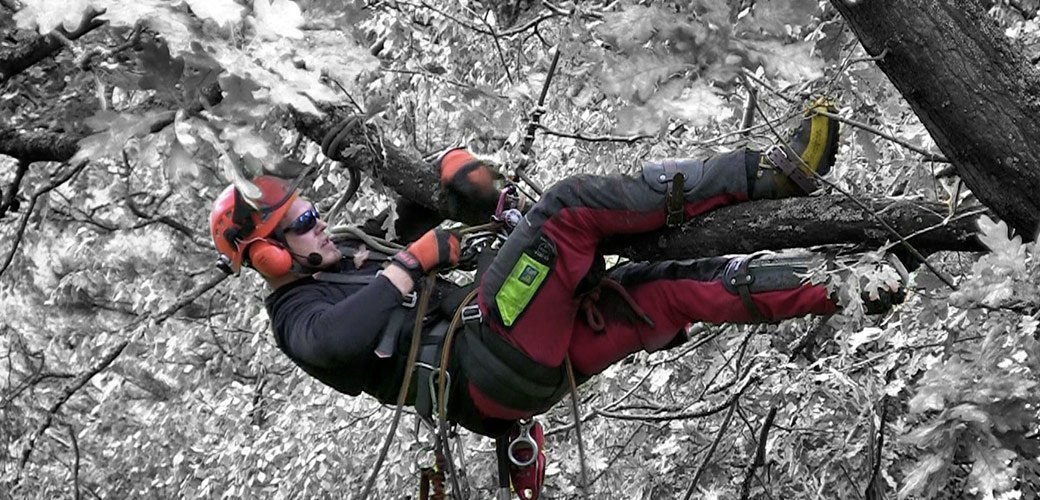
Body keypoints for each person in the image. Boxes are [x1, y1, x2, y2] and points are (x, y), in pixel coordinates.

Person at [209, 108, 905, 494]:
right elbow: (338, 340)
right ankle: (772, 172)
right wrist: (418, 260)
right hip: (488, 354)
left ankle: (857, 283)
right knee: (570, 208)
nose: (318, 222)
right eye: (298, 225)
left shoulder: (355, 245)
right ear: (266, 255)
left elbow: (421, 214)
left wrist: (459, 184)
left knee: (667, 293)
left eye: (309, 210)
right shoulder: (295, 321)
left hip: (525, 364)